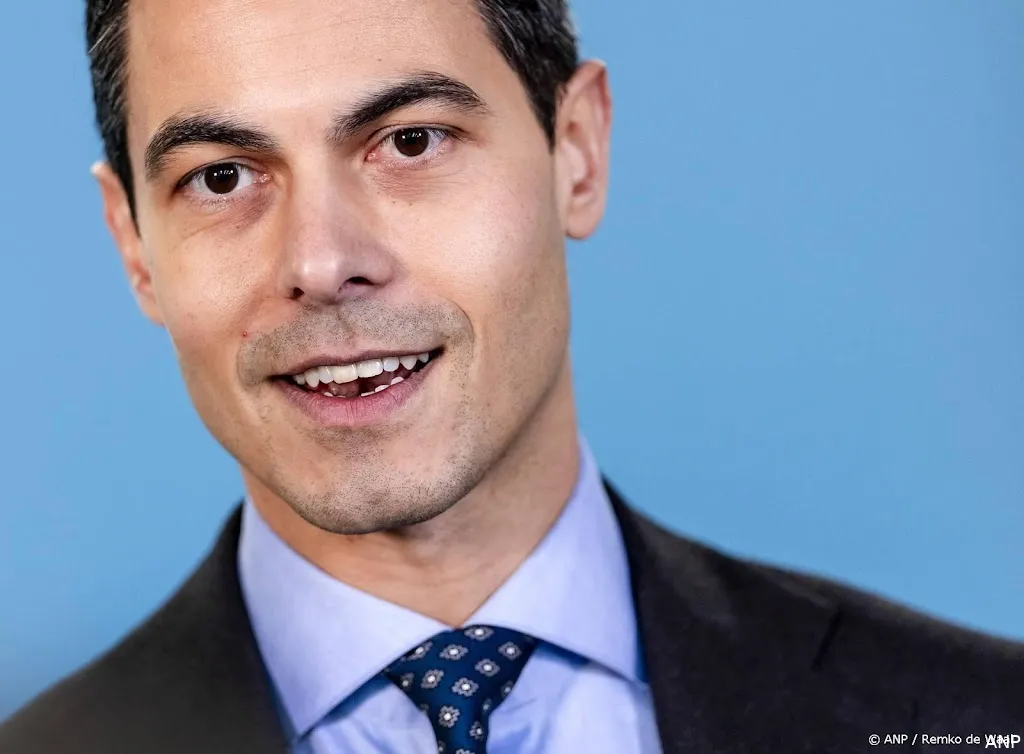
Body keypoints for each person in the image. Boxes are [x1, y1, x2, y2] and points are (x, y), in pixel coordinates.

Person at [2, 0, 1022, 751]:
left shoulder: (977, 715)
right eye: (221, 177)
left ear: (576, 151)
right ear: (133, 245)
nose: (320, 260)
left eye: (410, 141)